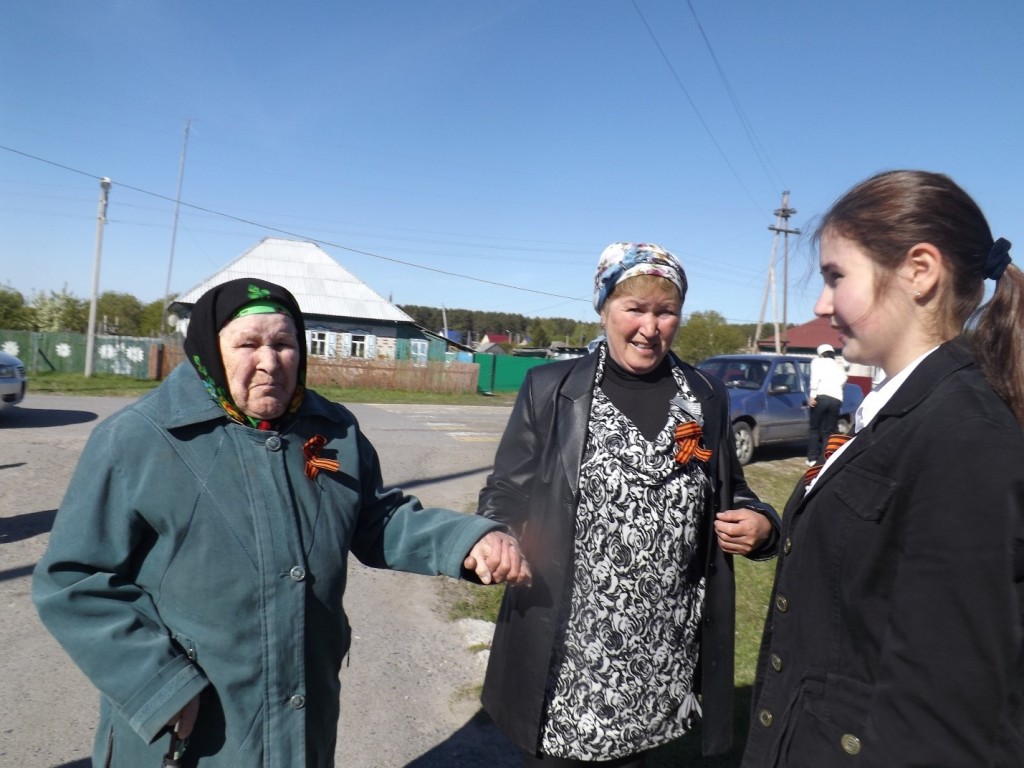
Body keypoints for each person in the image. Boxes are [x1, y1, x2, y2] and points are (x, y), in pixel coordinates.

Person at [32, 277, 530, 768]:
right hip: (191, 721)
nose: (270, 362)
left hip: (300, 715)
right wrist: (157, 683)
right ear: (210, 350)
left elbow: (377, 518)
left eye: (284, 344)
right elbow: (73, 579)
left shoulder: (332, 430)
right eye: (248, 344)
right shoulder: (138, 439)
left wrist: (467, 540)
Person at [741, 171, 1024, 767]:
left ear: (920, 271)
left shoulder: (967, 435)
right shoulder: (905, 409)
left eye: (836, 277)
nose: (821, 304)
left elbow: (950, 713)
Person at [477, 242, 781, 767]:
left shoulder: (704, 395)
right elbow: (506, 488)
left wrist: (763, 524)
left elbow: (732, 490)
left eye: (666, 312)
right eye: (634, 308)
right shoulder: (551, 389)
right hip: (567, 651)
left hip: (661, 650)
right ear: (603, 309)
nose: (650, 327)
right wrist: (493, 532)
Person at [805, 342, 847, 465]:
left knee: (815, 429)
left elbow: (815, 378)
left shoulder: (817, 362)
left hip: (821, 397)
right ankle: (825, 459)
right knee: (829, 432)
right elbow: (844, 379)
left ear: (820, 353)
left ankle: (812, 458)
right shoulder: (838, 366)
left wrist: (812, 395)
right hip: (836, 400)